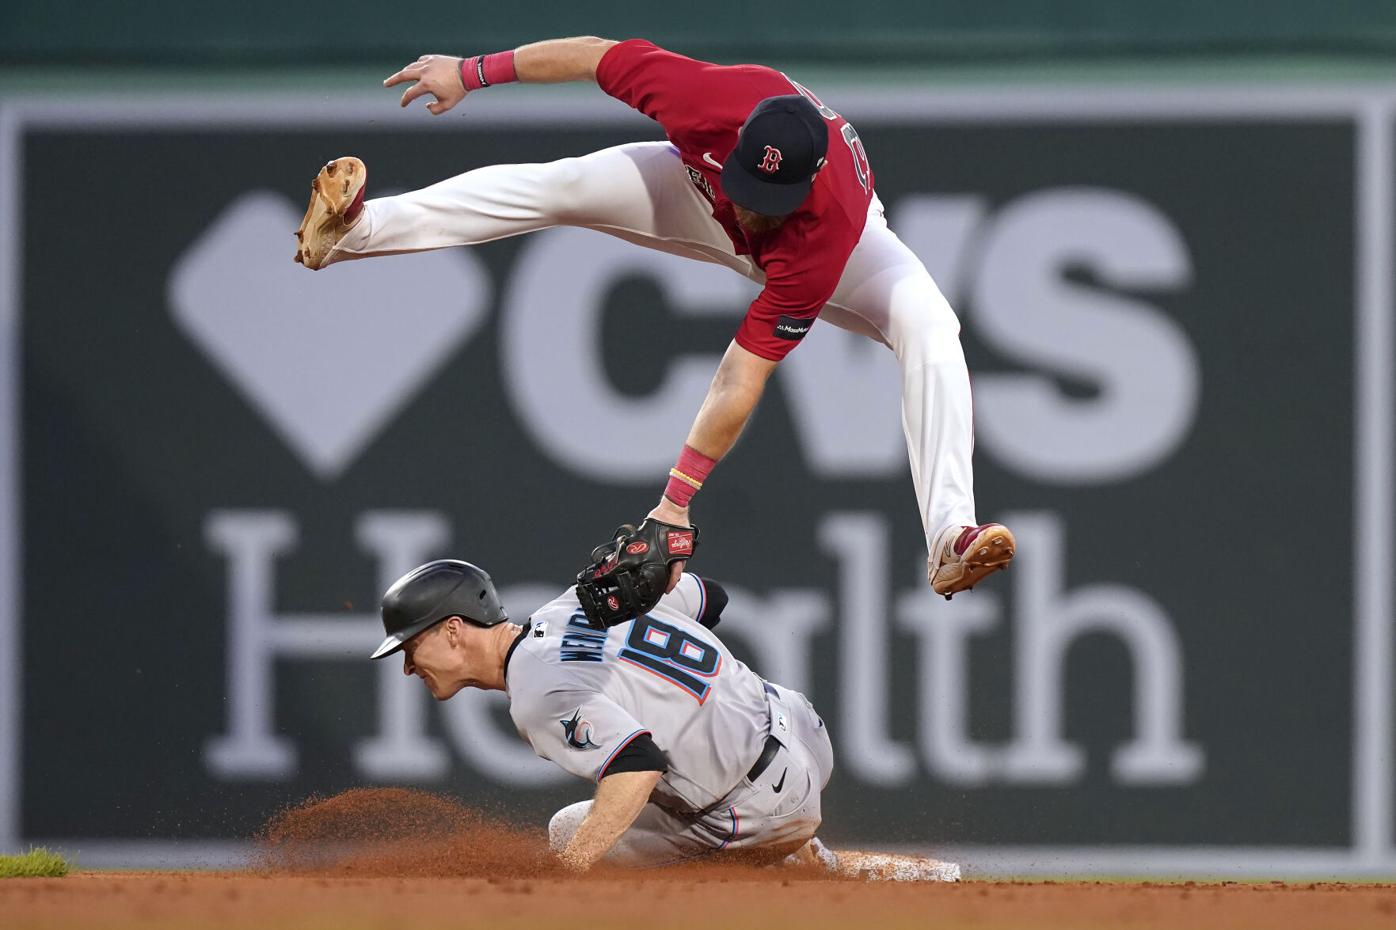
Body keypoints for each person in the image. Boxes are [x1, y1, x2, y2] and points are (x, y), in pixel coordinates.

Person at [297, 36, 1014, 597]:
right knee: (564, 184)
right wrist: (472, 71)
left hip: (838, 249)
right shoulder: (704, 100)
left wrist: (677, 498)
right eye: (749, 188)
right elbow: (592, 55)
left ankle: (949, 536)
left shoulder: (822, 229)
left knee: (930, 325)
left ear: (797, 189)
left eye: (769, 200)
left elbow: (740, 374)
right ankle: (357, 232)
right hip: (693, 193)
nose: (753, 209)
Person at [368, 557, 959, 880]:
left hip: (753, 806)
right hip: (799, 726)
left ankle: (789, 848)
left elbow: (635, 765)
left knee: (570, 834)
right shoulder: (577, 602)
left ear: (452, 631)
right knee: (685, 782)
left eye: (409, 647)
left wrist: (567, 874)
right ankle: (918, 878)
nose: (407, 667)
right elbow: (712, 599)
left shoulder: (535, 691)